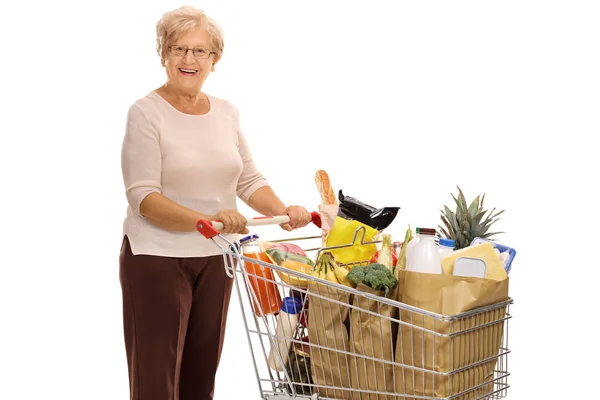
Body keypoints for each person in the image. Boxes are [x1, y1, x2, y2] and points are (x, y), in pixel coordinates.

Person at [118, 6, 313, 400]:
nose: (188, 60)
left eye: (200, 51)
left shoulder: (226, 112)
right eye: (178, 49)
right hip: (156, 258)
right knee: (156, 383)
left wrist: (284, 211)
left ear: (215, 59)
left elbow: (247, 178)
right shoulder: (145, 113)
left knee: (200, 378)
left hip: (217, 256)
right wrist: (206, 219)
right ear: (163, 55)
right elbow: (144, 198)